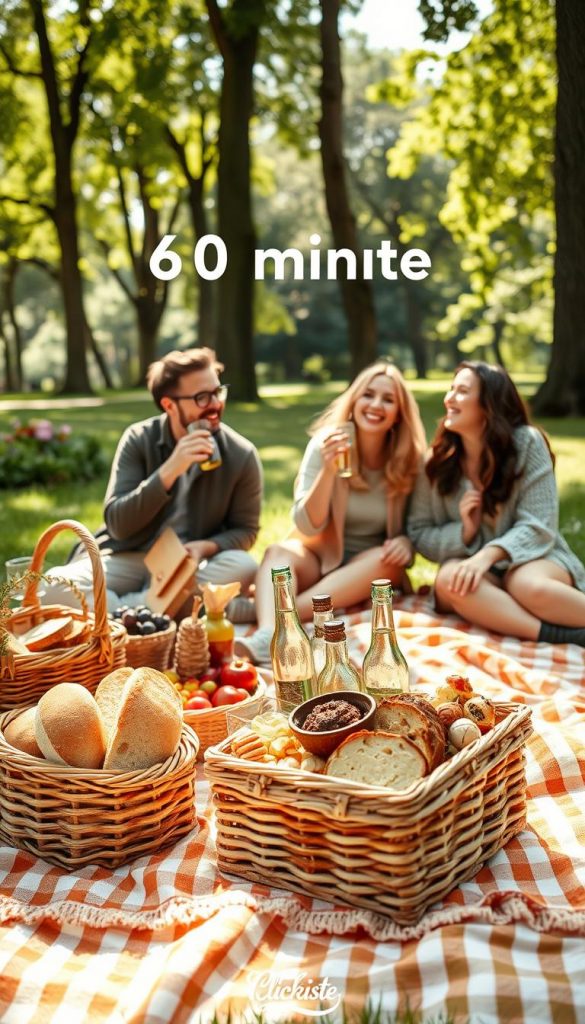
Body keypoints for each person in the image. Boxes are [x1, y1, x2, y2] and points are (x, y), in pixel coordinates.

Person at [44, 348, 262, 615]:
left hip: (187, 564)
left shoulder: (240, 454)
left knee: (245, 566)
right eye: (202, 398)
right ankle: (164, 609)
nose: (216, 404)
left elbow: (246, 531)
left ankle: (125, 613)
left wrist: (206, 547)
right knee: (52, 587)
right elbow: (118, 524)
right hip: (130, 555)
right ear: (169, 405)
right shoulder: (138, 439)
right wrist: (169, 470)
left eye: (218, 392)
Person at [235, 360, 427, 664]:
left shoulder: (410, 460)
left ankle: (277, 608)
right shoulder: (325, 444)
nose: (376, 404)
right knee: (277, 554)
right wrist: (327, 469)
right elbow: (306, 526)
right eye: (368, 395)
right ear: (354, 401)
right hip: (319, 557)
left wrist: (407, 542)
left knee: (386, 561)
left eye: (388, 399)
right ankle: (268, 638)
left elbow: (420, 526)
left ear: (398, 414)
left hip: (370, 566)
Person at [407, 361, 585, 645]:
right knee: (449, 581)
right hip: (475, 573)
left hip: (535, 557)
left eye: (462, 391)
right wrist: (464, 532)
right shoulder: (435, 462)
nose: (449, 398)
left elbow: (540, 524)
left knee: (527, 585)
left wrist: (487, 555)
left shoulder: (528, 443)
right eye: (451, 389)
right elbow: (419, 532)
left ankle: (526, 615)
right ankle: (564, 635)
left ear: (488, 405)